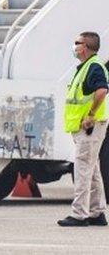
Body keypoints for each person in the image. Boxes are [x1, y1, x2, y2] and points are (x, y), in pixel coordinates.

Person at [59, 32, 109, 226]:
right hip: (86, 127)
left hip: (90, 126)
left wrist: (90, 115)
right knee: (93, 170)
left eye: (77, 43)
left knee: (83, 169)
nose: (74, 46)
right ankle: (97, 212)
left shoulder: (94, 66)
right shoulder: (86, 67)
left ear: (85, 47)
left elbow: (102, 90)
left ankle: (79, 214)